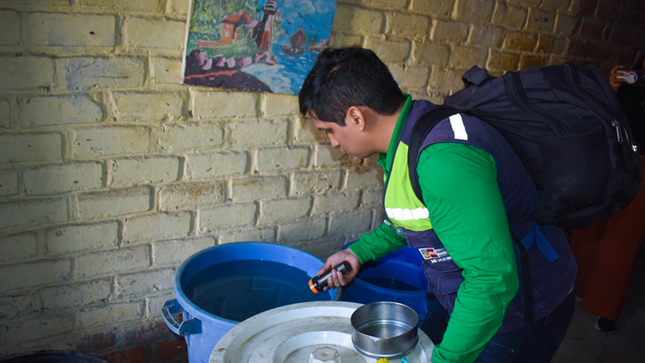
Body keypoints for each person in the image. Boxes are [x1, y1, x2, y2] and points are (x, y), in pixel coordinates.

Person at [298, 47, 577, 363]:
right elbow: (414, 216)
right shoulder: (407, 135)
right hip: (460, 296)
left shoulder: (441, 161)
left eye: (330, 131)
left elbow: (490, 280)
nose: (334, 143)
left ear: (356, 117)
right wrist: (357, 253)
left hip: (518, 311)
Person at [570, 53, 645, 334]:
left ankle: (604, 306)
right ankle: (576, 286)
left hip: (643, 162)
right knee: (590, 223)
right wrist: (610, 88)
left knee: (623, 236)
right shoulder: (629, 79)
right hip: (612, 153)